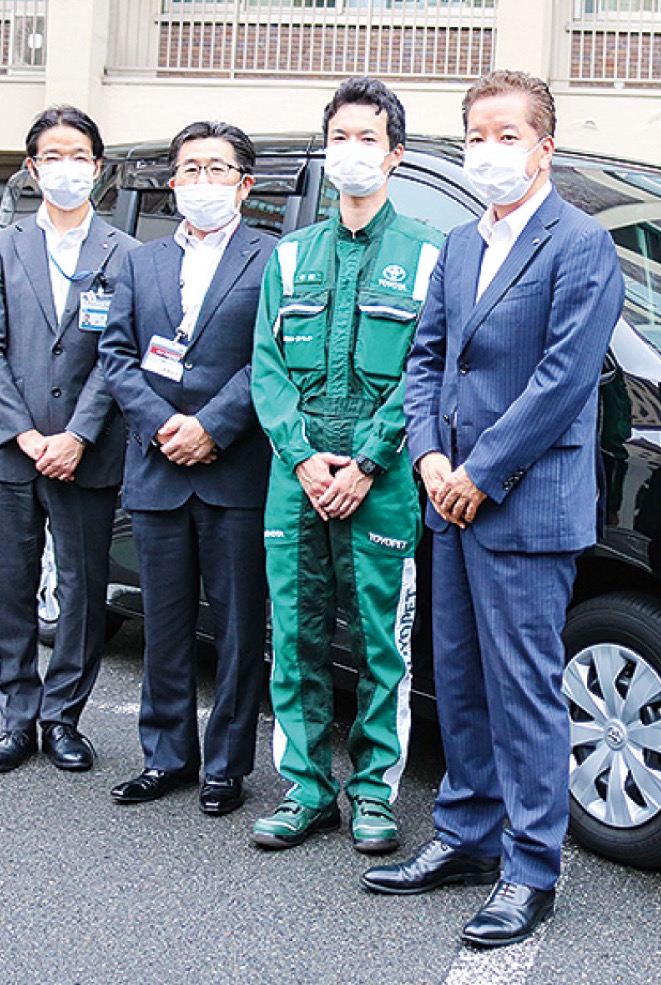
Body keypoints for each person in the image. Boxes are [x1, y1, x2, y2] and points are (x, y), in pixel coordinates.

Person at [361, 70, 625, 948]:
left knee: (526, 695)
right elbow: (426, 361)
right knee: (461, 684)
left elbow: (563, 381)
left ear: (546, 146)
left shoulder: (579, 244)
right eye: (478, 134)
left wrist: (479, 470)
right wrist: (433, 458)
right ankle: (465, 836)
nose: (489, 150)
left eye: (507, 134)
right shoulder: (461, 244)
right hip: (450, 497)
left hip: (521, 503)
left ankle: (531, 868)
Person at [249, 77, 442, 854]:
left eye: (367, 138)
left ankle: (372, 794)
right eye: (339, 138)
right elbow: (266, 369)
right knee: (292, 636)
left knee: (378, 643)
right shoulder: (291, 256)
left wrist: (363, 462)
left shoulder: (429, 252)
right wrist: (301, 459)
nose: (351, 151)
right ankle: (305, 788)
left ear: (395, 153)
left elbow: (424, 371)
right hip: (297, 478)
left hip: (384, 478)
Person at [100, 121, 274, 816]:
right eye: (191, 169)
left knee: (237, 627)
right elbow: (115, 354)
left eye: (218, 168)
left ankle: (227, 766)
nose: (204, 180)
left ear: (245, 183)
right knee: (164, 624)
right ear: (174, 182)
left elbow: (274, 355)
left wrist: (212, 425)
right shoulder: (140, 262)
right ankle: (167, 755)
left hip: (234, 470)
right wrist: (162, 424)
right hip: (158, 467)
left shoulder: (274, 258)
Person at [0, 107, 137, 774]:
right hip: (12, 448)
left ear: (98, 166)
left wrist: (79, 433)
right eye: (52, 156)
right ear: (31, 169)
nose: (66, 167)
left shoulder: (127, 253)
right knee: (12, 582)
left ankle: (63, 718)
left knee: (83, 590)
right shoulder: (4, 246)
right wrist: (23, 432)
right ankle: (16, 714)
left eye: (78, 155)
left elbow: (120, 357)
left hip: (89, 451)